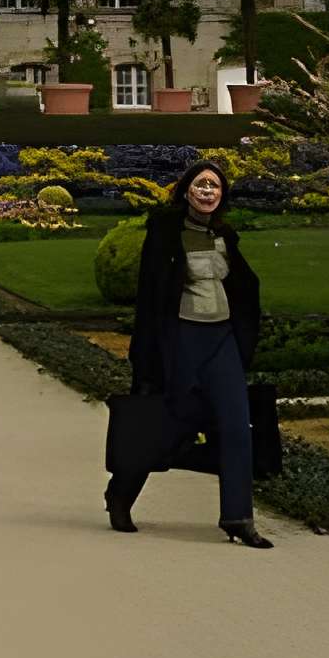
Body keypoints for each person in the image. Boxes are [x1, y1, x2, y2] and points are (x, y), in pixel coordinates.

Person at [107, 159, 270, 548]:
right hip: (180, 339)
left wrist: (246, 330)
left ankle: (238, 518)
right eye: (200, 184)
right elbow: (150, 295)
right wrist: (144, 354)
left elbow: (244, 287)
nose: (208, 191)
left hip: (222, 341)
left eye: (215, 185)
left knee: (236, 426)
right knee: (165, 424)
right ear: (185, 190)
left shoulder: (225, 236)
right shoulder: (165, 232)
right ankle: (121, 495)